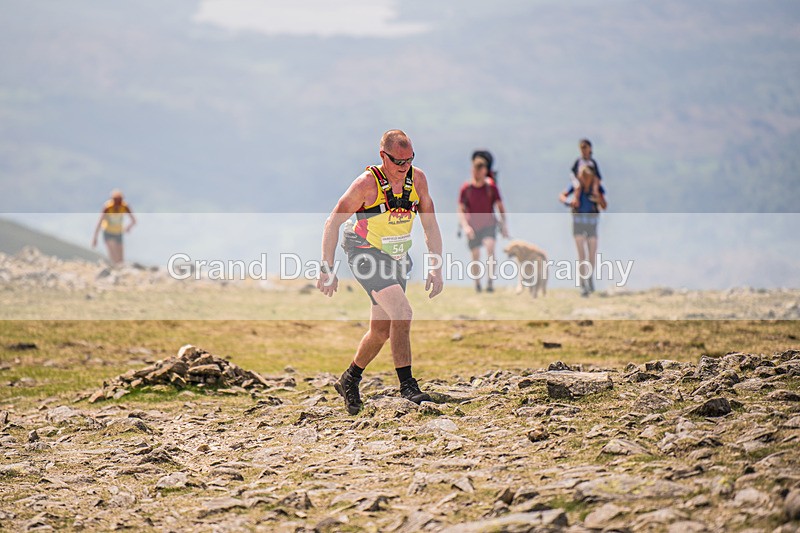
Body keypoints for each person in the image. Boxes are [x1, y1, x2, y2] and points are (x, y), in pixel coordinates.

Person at [317, 130, 444, 415]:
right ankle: (408, 386)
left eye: (409, 160)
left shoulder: (418, 180)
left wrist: (435, 265)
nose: (404, 167)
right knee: (402, 312)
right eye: (398, 162)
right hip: (364, 251)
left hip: (396, 256)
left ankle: (349, 378)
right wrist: (327, 266)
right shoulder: (366, 185)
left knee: (380, 331)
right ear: (382, 157)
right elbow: (332, 222)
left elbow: (430, 225)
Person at [458, 151, 508, 292]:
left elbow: (500, 207)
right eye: (475, 170)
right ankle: (477, 284)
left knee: (490, 247)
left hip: (489, 225)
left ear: (485, 171)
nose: (477, 173)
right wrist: (466, 227)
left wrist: (504, 226)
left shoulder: (491, 187)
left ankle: (490, 282)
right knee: (475, 255)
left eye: (479, 170)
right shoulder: (466, 188)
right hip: (472, 226)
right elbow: (460, 209)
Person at [559, 165, 607, 296]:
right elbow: (562, 196)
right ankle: (582, 284)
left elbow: (604, 205)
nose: (584, 179)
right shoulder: (575, 187)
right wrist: (570, 202)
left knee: (592, 255)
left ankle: (589, 278)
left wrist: (597, 198)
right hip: (578, 223)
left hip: (592, 223)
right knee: (582, 255)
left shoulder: (596, 188)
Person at [92, 190, 136, 265]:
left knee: (121, 259)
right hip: (108, 232)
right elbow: (99, 222)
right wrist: (95, 238)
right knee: (113, 256)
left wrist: (128, 227)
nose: (118, 203)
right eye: (116, 201)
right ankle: (114, 271)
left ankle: (120, 272)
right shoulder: (108, 207)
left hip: (118, 233)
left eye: (119, 200)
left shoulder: (124, 206)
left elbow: (134, 220)